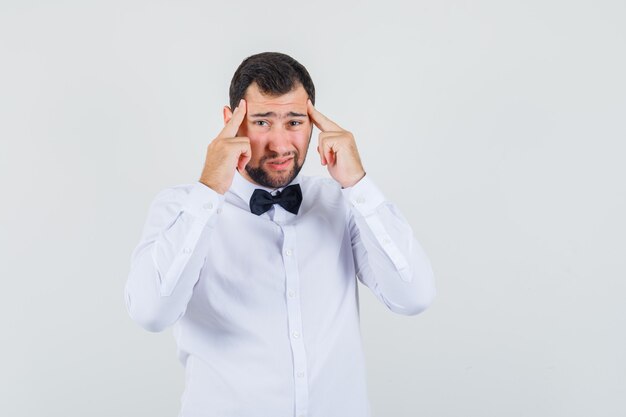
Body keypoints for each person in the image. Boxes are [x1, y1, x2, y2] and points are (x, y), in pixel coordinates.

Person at [125, 52, 436, 417]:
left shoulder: (342, 204)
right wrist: (208, 190)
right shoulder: (181, 209)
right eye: (261, 122)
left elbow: (413, 296)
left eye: (294, 121)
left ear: (314, 124)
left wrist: (358, 185)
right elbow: (151, 313)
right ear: (231, 122)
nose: (279, 143)